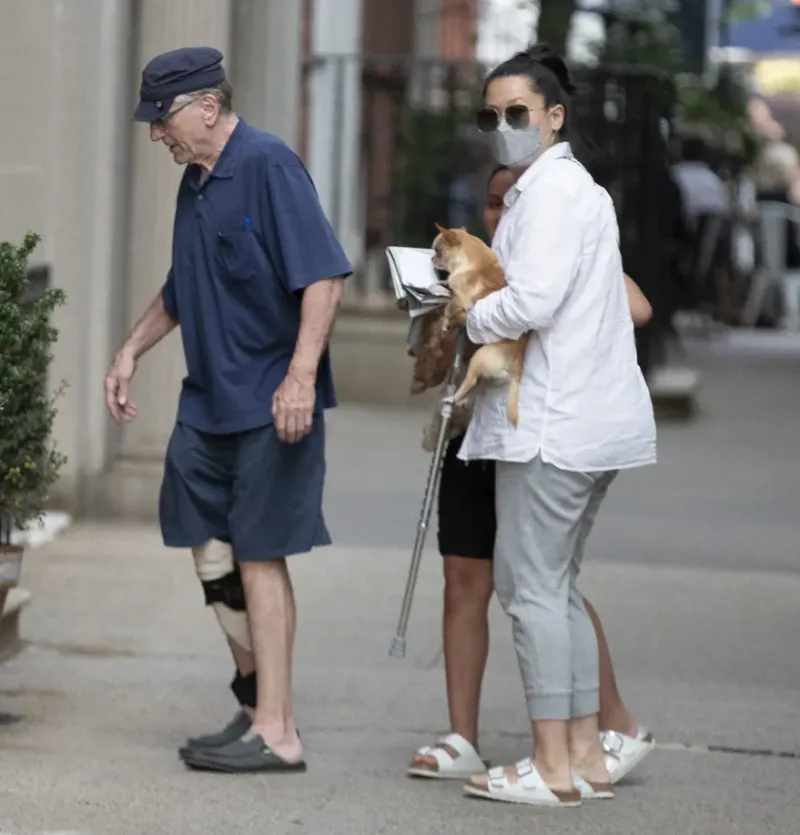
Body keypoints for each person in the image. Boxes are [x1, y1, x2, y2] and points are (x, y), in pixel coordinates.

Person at [104, 46, 351, 774]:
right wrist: (130, 349)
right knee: (205, 544)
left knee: (259, 553)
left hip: (273, 403)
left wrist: (300, 377)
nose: (157, 134)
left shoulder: (270, 164)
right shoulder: (198, 179)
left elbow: (325, 278)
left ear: (207, 107)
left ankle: (279, 730)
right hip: (207, 404)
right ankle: (254, 698)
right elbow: (185, 286)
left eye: (164, 118)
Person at [450, 43, 657, 807]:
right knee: (556, 588)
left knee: (530, 588)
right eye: (491, 115)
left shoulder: (553, 195)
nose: (502, 126)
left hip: (556, 423)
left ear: (554, 117)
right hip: (582, 421)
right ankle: (580, 756)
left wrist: (470, 312)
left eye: (517, 114)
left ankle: (550, 764)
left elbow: (531, 300)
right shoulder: (569, 191)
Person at [408, 165, 655, 785]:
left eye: (506, 202)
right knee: (465, 572)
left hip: (538, 429)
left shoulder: (555, 244)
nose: (499, 215)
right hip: (475, 429)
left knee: (546, 584)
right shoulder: (475, 261)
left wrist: (525, 298)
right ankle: (462, 734)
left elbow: (636, 306)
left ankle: (614, 723)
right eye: (490, 205)